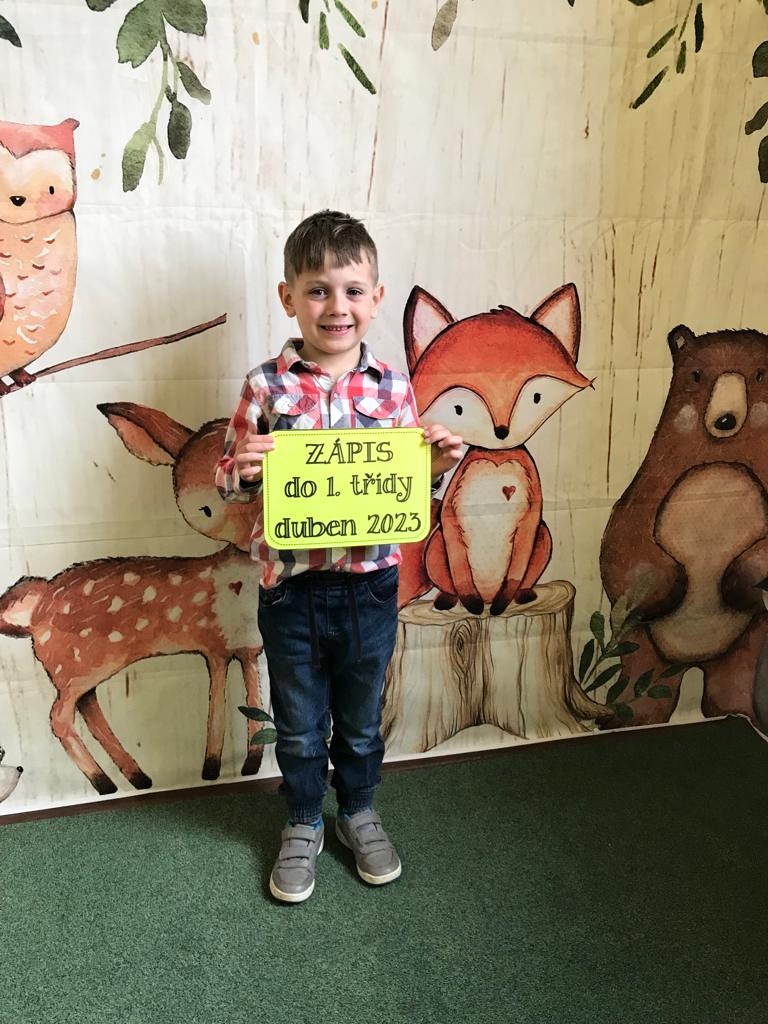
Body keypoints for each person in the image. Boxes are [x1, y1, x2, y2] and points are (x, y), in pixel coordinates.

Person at [215, 210, 463, 902]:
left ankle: (357, 810)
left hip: (370, 587)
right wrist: (244, 466)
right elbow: (227, 479)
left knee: (359, 719)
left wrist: (436, 464)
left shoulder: (393, 387)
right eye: (318, 290)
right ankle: (302, 820)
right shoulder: (265, 386)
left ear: (375, 299)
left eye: (353, 290)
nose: (336, 306)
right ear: (288, 297)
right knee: (298, 725)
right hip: (290, 590)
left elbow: (404, 484)